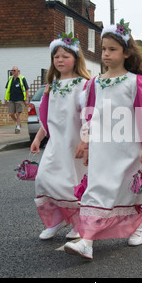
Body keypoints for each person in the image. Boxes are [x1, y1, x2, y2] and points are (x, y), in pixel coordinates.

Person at [64, 19, 142, 260]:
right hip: (102, 147)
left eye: (112, 49)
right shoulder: (95, 82)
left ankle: (135, 226)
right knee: (97, 189)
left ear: (126, 53)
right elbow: (89, 114)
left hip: (128, 146)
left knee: (128, 189)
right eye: (103, 49)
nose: (105, 54)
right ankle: (87, 241)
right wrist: (85, 141)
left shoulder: (134, 81)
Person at [31, 33, 91, 240]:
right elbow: (47, 117)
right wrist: (38, 138)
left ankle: (77, 223)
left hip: (75, 143)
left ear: (75, 58)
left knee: (70, 185)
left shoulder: (83, 84)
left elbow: (89, 116)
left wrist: (86, 141)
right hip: (55, 143)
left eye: (65, 56)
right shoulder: (52, 85)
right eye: (56, 56)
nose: (60, 60)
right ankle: (55, 220)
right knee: (43, 179)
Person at [4, 66, 29, 134]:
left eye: (14, 70)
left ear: (18, 71)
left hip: (20, 99)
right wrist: (6, 99)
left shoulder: (22, 78)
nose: (13, 72)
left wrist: (26, 99)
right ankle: (17, 122)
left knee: (18, 113)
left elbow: (27, 89)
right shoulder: (10, 79)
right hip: (11, 99)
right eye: (12, 70)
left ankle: (18, 127)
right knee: (11, 113)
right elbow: (7, 89)